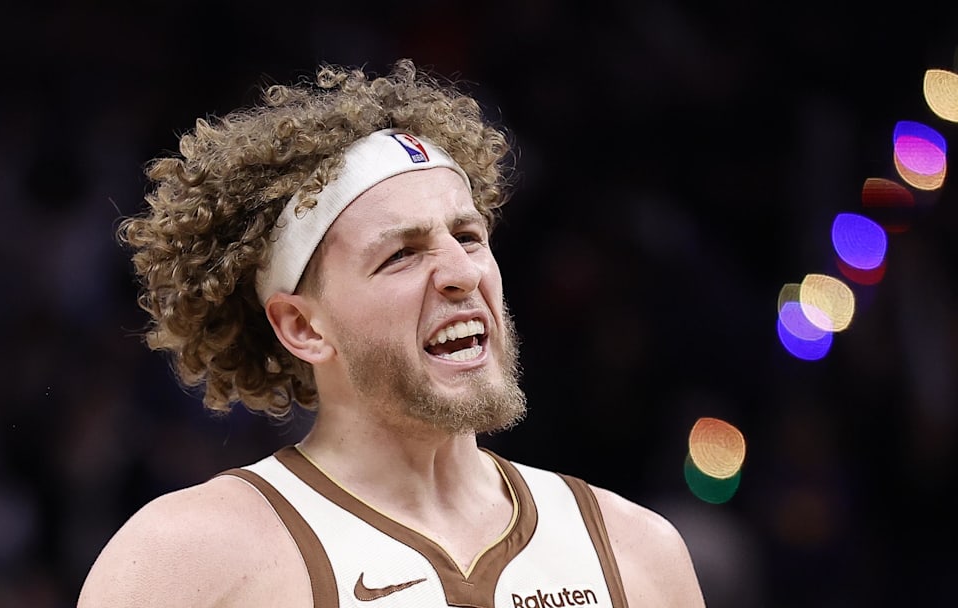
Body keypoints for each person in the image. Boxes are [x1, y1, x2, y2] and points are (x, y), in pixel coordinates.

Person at [77, 58, 706, 608]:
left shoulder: (638, 556)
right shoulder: (183, 564)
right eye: (401, 254)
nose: (461, 273)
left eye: (467, 237)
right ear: (302, 325)